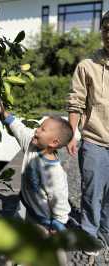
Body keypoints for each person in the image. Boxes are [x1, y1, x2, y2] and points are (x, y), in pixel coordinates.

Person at [0, 100, 73, 233]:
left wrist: (58, 222)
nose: (36, 130)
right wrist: (4, 114)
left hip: (43, 220)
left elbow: (59, 200)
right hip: (28, 206)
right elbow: (19, 128)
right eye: (39, 126)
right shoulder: (31, 144)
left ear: (54, 142)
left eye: (42, 129)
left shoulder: (55, 174)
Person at [67, 10, 109, 255]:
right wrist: (72, 133)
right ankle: (90, 236)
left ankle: (105, 234)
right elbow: (76, 102)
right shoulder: (87, 66)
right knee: (92, 194)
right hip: (94, 141)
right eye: (105, 29)